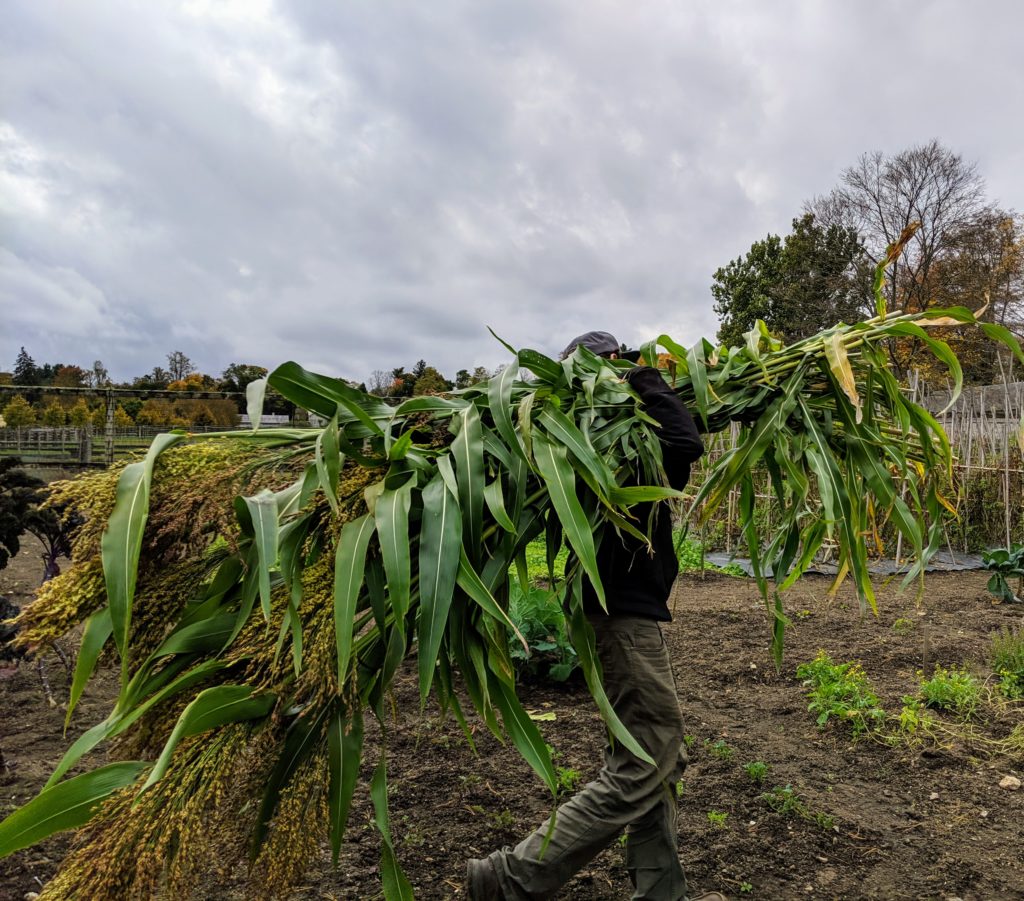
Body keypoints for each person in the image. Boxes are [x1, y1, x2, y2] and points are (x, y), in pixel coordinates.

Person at [467, 331, 723, 901]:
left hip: (624, 615)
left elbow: (680, 442)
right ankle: (510, 877)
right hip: (623, 617)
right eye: (616, 364)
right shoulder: (589, 441)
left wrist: (656, 391)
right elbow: (686, 440)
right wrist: (644, 378)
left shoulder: (626, 443)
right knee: (649, 756)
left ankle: (661, 892)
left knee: (652, 752)